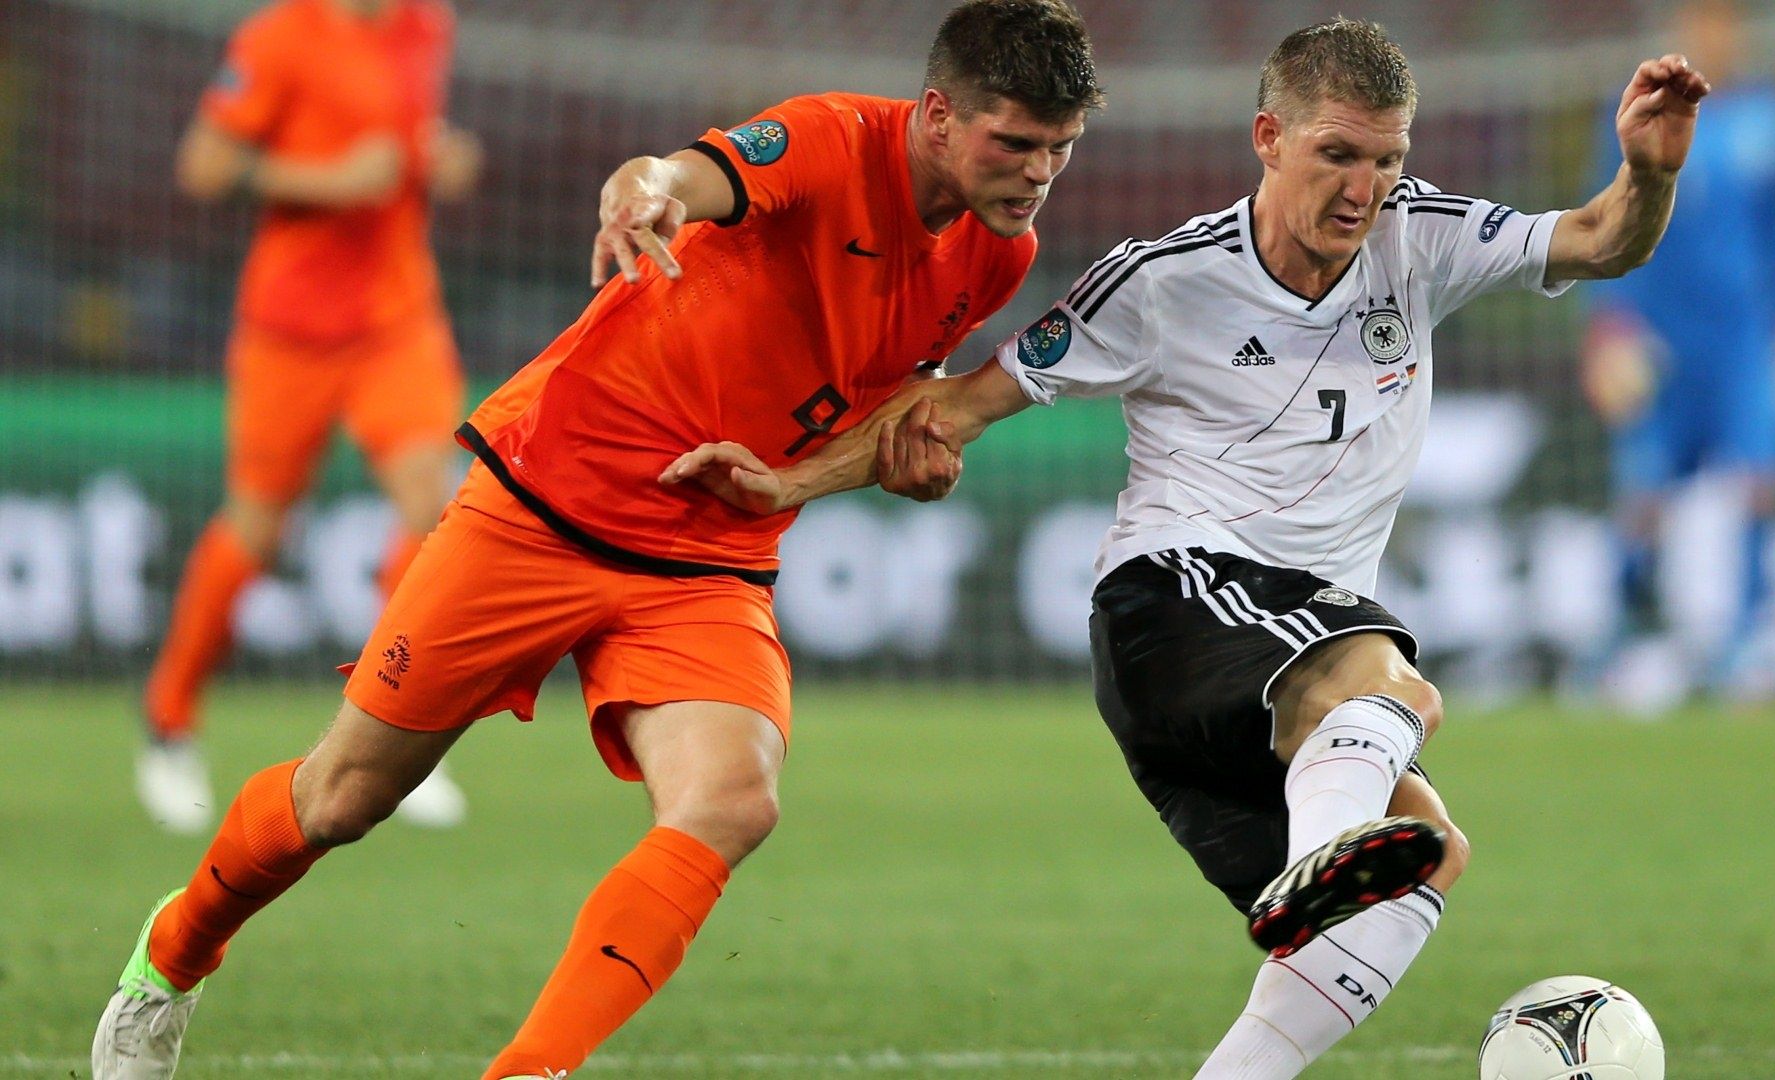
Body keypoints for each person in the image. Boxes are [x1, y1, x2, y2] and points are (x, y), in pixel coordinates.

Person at [665, 17, 1705, 1078]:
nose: (1364, 189)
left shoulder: (1422, 237)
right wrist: (790, 481)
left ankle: (1270, 993)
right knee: (1388, 689)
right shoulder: (1160, 280)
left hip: (1261, 671)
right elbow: (956, 407)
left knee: (1421, 863)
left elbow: (1599, 237)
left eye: (1387, 160)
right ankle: (1322, 850)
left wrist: (1647, 172)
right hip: (1174, 605)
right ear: (1268, 136)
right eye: (1336, 155)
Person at [91, 2, 1101, 1078]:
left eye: (1061, 150)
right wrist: (642, 186)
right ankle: (171, 957)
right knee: (339, 799)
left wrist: (895, 449)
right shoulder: (826, 139)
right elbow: (684, 175)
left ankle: (529, 1071)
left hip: (708, 553)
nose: (1038, 172)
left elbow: (887, 395)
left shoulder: (998, 255)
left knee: (732, 801)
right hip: (544, 508)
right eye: (1016, 142)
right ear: (940, 117)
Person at [139, 0, 483, 833]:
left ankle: (393, 731)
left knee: (431, 512)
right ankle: (169, 722)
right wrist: (329, 179)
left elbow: (412, 136)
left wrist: (439, 157)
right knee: (255, 529)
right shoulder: (277, 39)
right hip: (289, 333)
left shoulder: (424, 25)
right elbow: (206, 166)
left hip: (397, 319)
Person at [1579, 0, 1775, 702]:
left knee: (1763, 483)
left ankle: (1748, 645)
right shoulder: (1630, 115)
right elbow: (1599, 223)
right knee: (1645, 493)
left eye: (1724, 25)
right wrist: (1610, 328)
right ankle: (1621, 633)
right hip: (1660, 334)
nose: (1713, 39)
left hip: (1749, 337)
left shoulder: (1774, 118)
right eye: (1699, 25)